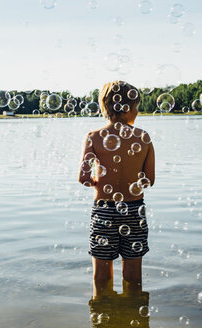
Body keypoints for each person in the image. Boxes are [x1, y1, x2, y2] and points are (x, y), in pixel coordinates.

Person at [78, 80, 155, 299]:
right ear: (129, 107)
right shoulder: (144, 137)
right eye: (137, 106)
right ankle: (132, 312)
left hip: (104, 210)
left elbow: (83, 178)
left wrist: (98, 180)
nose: (138, 111)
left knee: (101, 276)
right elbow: (149, 179)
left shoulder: (93, 137)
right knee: (133, 275)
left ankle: (104, 307)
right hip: (134, 210)